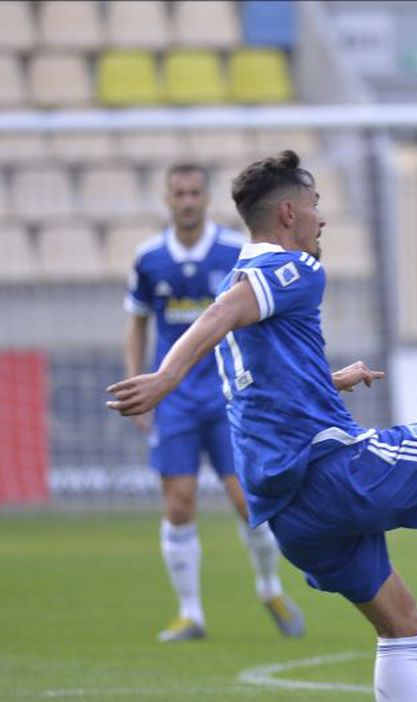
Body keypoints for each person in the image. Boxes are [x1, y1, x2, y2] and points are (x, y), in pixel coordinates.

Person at [107, 151, 417, 702]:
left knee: (400, 620)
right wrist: (164, 379)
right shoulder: (290, 268)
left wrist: (327, 380)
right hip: (327, 468)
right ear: (287, 213)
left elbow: (248, 370)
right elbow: (219, 316)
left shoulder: (245, 273)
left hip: (290, 513)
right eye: (313, 205)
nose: (321, 218)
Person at [123, 163, 303, 642]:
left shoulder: (233, 252)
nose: (187, 201)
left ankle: (270, 587)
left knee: (247, 500)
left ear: (207, 199)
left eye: (194, 192)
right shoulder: (149, 258)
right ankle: (190, 613)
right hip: (175, 400)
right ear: (168, 199)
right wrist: (137, 381)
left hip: (229, 394)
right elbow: (138, 321)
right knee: (178, 504)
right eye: (178, 192)